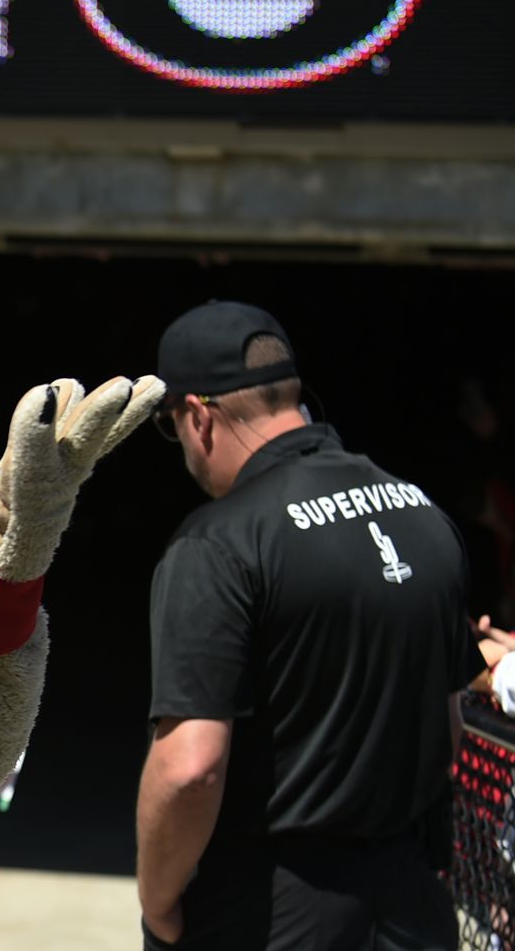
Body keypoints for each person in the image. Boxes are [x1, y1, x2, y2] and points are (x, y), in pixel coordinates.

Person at [137, 301, 482, 951]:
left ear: (200, 416)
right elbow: (451, 727)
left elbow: (190, 769)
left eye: (172, 427)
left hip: (271, 911)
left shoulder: (217, 545)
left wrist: (157, 902)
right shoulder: (422, 515)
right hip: (414, 902)